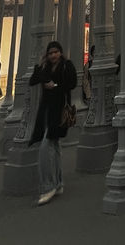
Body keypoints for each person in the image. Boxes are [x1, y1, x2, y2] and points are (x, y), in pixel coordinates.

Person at [29, 40, 77, 206]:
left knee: (46, 146)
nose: (53, 55)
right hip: (47, 111)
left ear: (61, 52)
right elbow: (32, 80)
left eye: (56, 52)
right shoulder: (45, 67)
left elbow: (72, 83)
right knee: (54, 146)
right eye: (50, 53)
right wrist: (40, 70)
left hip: (59, 111)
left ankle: (48, 186)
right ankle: (58, 183)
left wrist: (54, 86)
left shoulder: (66, 65)